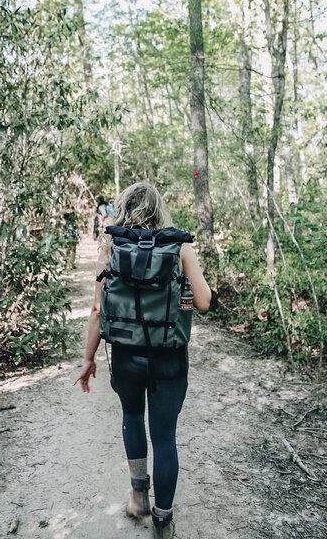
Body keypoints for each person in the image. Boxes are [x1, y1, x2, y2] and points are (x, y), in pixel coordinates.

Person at [75, 182, 213, 539]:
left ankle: (138, 493)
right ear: (160, 209)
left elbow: (95, 311)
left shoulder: (111, 246)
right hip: (169, 356)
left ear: (123, 209)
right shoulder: (179, 246)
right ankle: (163, 522)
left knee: (132, 416)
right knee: (165, 437)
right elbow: (203, 301)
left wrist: (88, 359)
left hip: (126, 355)